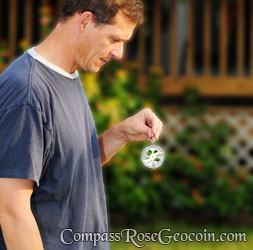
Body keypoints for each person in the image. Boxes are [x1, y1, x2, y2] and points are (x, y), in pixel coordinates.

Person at [0, 0, 163, 249]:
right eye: (114, 39)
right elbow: (11, 210)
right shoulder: (28, 91)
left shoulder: (67, 75)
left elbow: (64, 168)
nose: (119, 53)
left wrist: (121, 133)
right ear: (85, 21)